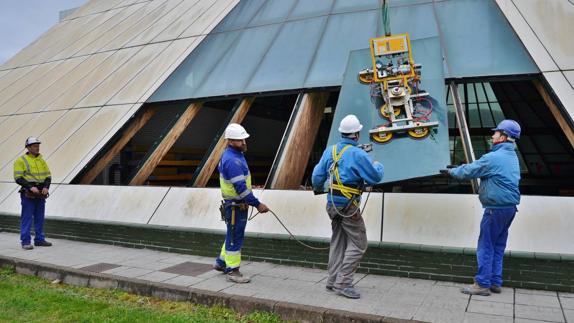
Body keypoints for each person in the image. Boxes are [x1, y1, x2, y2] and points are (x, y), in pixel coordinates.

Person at [441, 119, 521, 296]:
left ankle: (482, 284)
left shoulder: (493, 157)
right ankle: (495, 282)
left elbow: (470, 171)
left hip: (495, 210)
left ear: (504, 137)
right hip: (510, 209)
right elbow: (478, 168)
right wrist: (462, 168)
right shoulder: (511, 156)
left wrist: (452, 171)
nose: (493, 135)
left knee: (485, 246)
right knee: (498, 245)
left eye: (496, 133)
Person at [311, 114, 384, 299]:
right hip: (348, 207)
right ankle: (343, 283)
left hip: (332, 204)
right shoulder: (358, 154)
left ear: (342, 133)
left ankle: (332, 280)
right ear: (356, 134)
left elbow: (316, 178)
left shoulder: (331, 151)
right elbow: (374, 177)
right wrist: (378, 165)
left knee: (338, 241)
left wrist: (321, 187)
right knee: (359, 244)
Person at [214, 123, 269, 283]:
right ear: (230, 141)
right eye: (240, 140)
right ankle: (233, 271)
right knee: (235, 238)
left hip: (235, 205)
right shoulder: (232, 160)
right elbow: (241, 189)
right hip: (236, 206)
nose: (244, 143)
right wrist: (257, 204)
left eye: (244, 139)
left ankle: (221, 262)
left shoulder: (235, 156)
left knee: (231, 235)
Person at [13, 137, 53, 250]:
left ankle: (39, 240)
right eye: (35, 146)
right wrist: (30, 187)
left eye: (38, 146)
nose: (37, 148)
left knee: (40, 218)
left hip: (40, 193)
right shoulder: (21, 160)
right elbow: (18, 178)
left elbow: (48, 176)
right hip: (28, 194)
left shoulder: (41, 160)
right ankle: (25, 242)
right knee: (27, 218)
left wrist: (46, 187)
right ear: (28, 147)